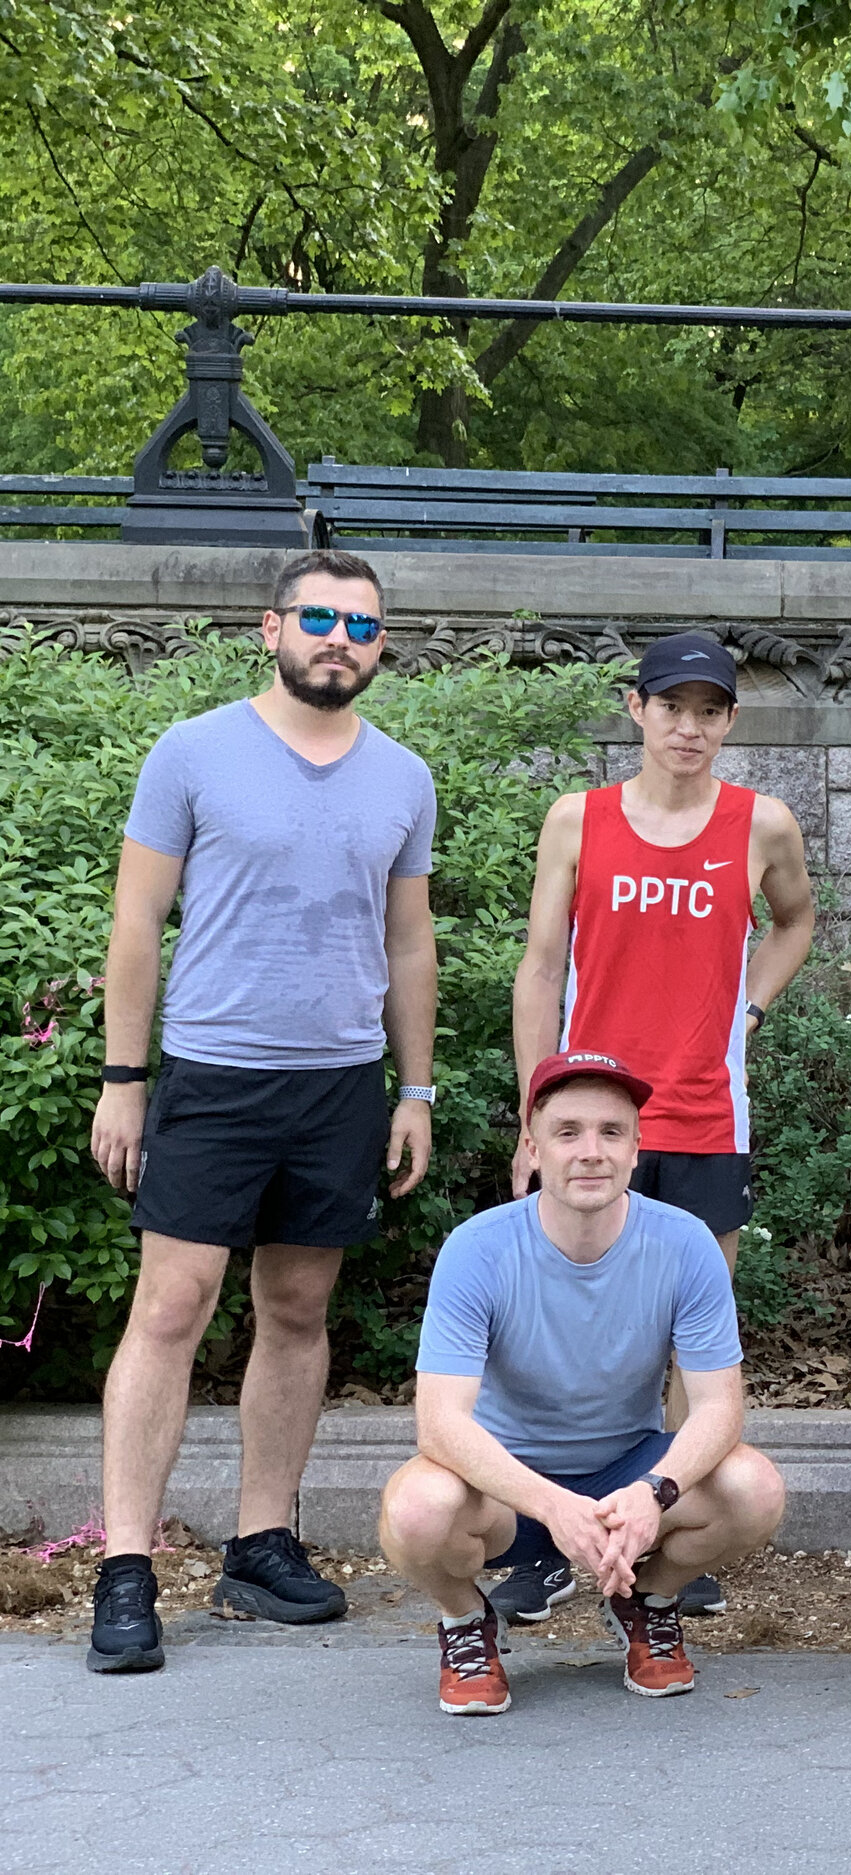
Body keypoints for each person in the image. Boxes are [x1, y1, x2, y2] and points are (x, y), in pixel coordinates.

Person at [84, 548, 439, 1676]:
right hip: (212, 1073)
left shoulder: (403, 777)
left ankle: (260, 1543)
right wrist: (122, 1077)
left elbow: (409, 941)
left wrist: (415, 1088)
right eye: (321, 617)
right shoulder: (192, 752)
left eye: (363, 625)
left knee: (296, 1307)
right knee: (172, 1307)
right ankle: (126, 1568)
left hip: (338, 1084)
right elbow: (137, 923)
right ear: (270, 627)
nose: (341, 638)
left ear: (381, 647)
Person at [504, 629, 816, 1621]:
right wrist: (534, 1116)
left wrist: (750, 1008)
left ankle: (670, 1541)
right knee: (562, 1333)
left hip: (703, 1114)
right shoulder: (578, 821)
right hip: (592, 1120)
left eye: (710, 709)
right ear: (635, 709)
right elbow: (542, 969)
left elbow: (797, 919)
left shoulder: (761, 822)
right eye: (671, 706)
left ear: (729, 722)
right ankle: (550, 1538)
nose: (689, 726)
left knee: (694, 1339)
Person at [378, 1050, 786, 1715]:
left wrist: (654, 1494)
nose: (590, 1151)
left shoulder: (685, 1244)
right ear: (534, 1146)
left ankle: (645, 1599)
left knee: (754, 1487)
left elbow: (718, 1409)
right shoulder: (478, 1248)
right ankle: (464, 1621)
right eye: (568, 1132)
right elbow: (440, 1423)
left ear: (636, 1147)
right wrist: (553, 1505)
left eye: (610, 1132)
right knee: (416, 1509)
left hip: (626, 1475)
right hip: (507, 1489)